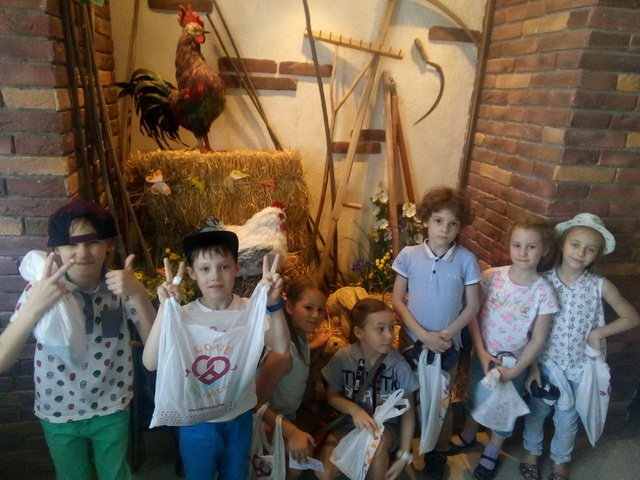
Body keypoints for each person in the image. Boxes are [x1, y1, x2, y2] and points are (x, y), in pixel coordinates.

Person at [0, 200, 156, 479]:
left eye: (92, 242)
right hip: (58, 409)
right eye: (72, 244)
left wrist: (139, 293)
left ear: (108, 245)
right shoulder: (42, 289)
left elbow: (157, 350)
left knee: (116, 474)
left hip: (111, 404)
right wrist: (34, 306)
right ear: (56, 250)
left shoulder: (120, 286)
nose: (82, 253)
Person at [142, 227, 289, 480]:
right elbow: (150, 362)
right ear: (192, 273)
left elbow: (281, 347)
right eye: (205, 268)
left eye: (224, 266)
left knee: (236, 474)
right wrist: (166, 307)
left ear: (237, 268)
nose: (215, 276)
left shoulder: (248, 310)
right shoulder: (183, 315)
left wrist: (274, 305)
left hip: (238, 417)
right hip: (196, 422)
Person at [520, 213, 640, 480]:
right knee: (537, 412)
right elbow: (527, 329)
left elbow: (631, 317)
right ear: (562, 244)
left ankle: (560, 460)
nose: (580, 252)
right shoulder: (542, 281)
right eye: (575, 244)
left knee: (568, 419)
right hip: (545, 363)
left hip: (580, 368)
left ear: (596, 255)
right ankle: (531, 451)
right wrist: (532, 367)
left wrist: (599, 332)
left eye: (590, 249)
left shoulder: (599, 286)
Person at [454, 221, 559, 480]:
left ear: (544, 250)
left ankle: (492, 451)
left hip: (514, 363)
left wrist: (518, 370)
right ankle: (469, 433)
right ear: (509, 246)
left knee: (505, 408)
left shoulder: (544, 292)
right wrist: (480, 351)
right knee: (474, 396)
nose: (523, 252)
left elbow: (538, 338)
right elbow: (472, 313)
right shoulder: (492, 277)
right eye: (517, 245)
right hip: (483, 356)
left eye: (531, 246)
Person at [391, 186, 480, 479]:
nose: (445, 229)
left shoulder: (466, 260)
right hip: (412, 340)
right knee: (409, 393)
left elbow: (472, 306)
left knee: (442, 400)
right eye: (439, 220)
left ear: (461, 226)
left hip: (446, 345)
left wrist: (445, 335)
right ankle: (403, 444)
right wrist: (422, 335)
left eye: (453, 223)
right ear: (426, 220)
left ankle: (438, 451)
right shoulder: (409, 255)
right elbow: (397, 300)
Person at [317, 298, 419, 480]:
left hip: (384, 429)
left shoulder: (398, 365)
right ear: (359, 332)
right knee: (323, 471)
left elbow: (408, 411)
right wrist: (354, 410)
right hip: (348, 425)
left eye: (391, 327)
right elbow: (332, 395)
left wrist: (404, 454)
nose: (389, 335)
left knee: (375, 446)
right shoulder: (343, 358)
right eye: (380, 329)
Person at [255, 275, 330, 478]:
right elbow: (254, 402)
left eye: (320, 309)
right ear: (289, 307)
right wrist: (291, 432)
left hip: (286, 417)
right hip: (265, 422)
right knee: (299, 459)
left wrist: (312, 346)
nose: (315, 315)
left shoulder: (299, 338)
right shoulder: (282, 354)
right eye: (308, 308)